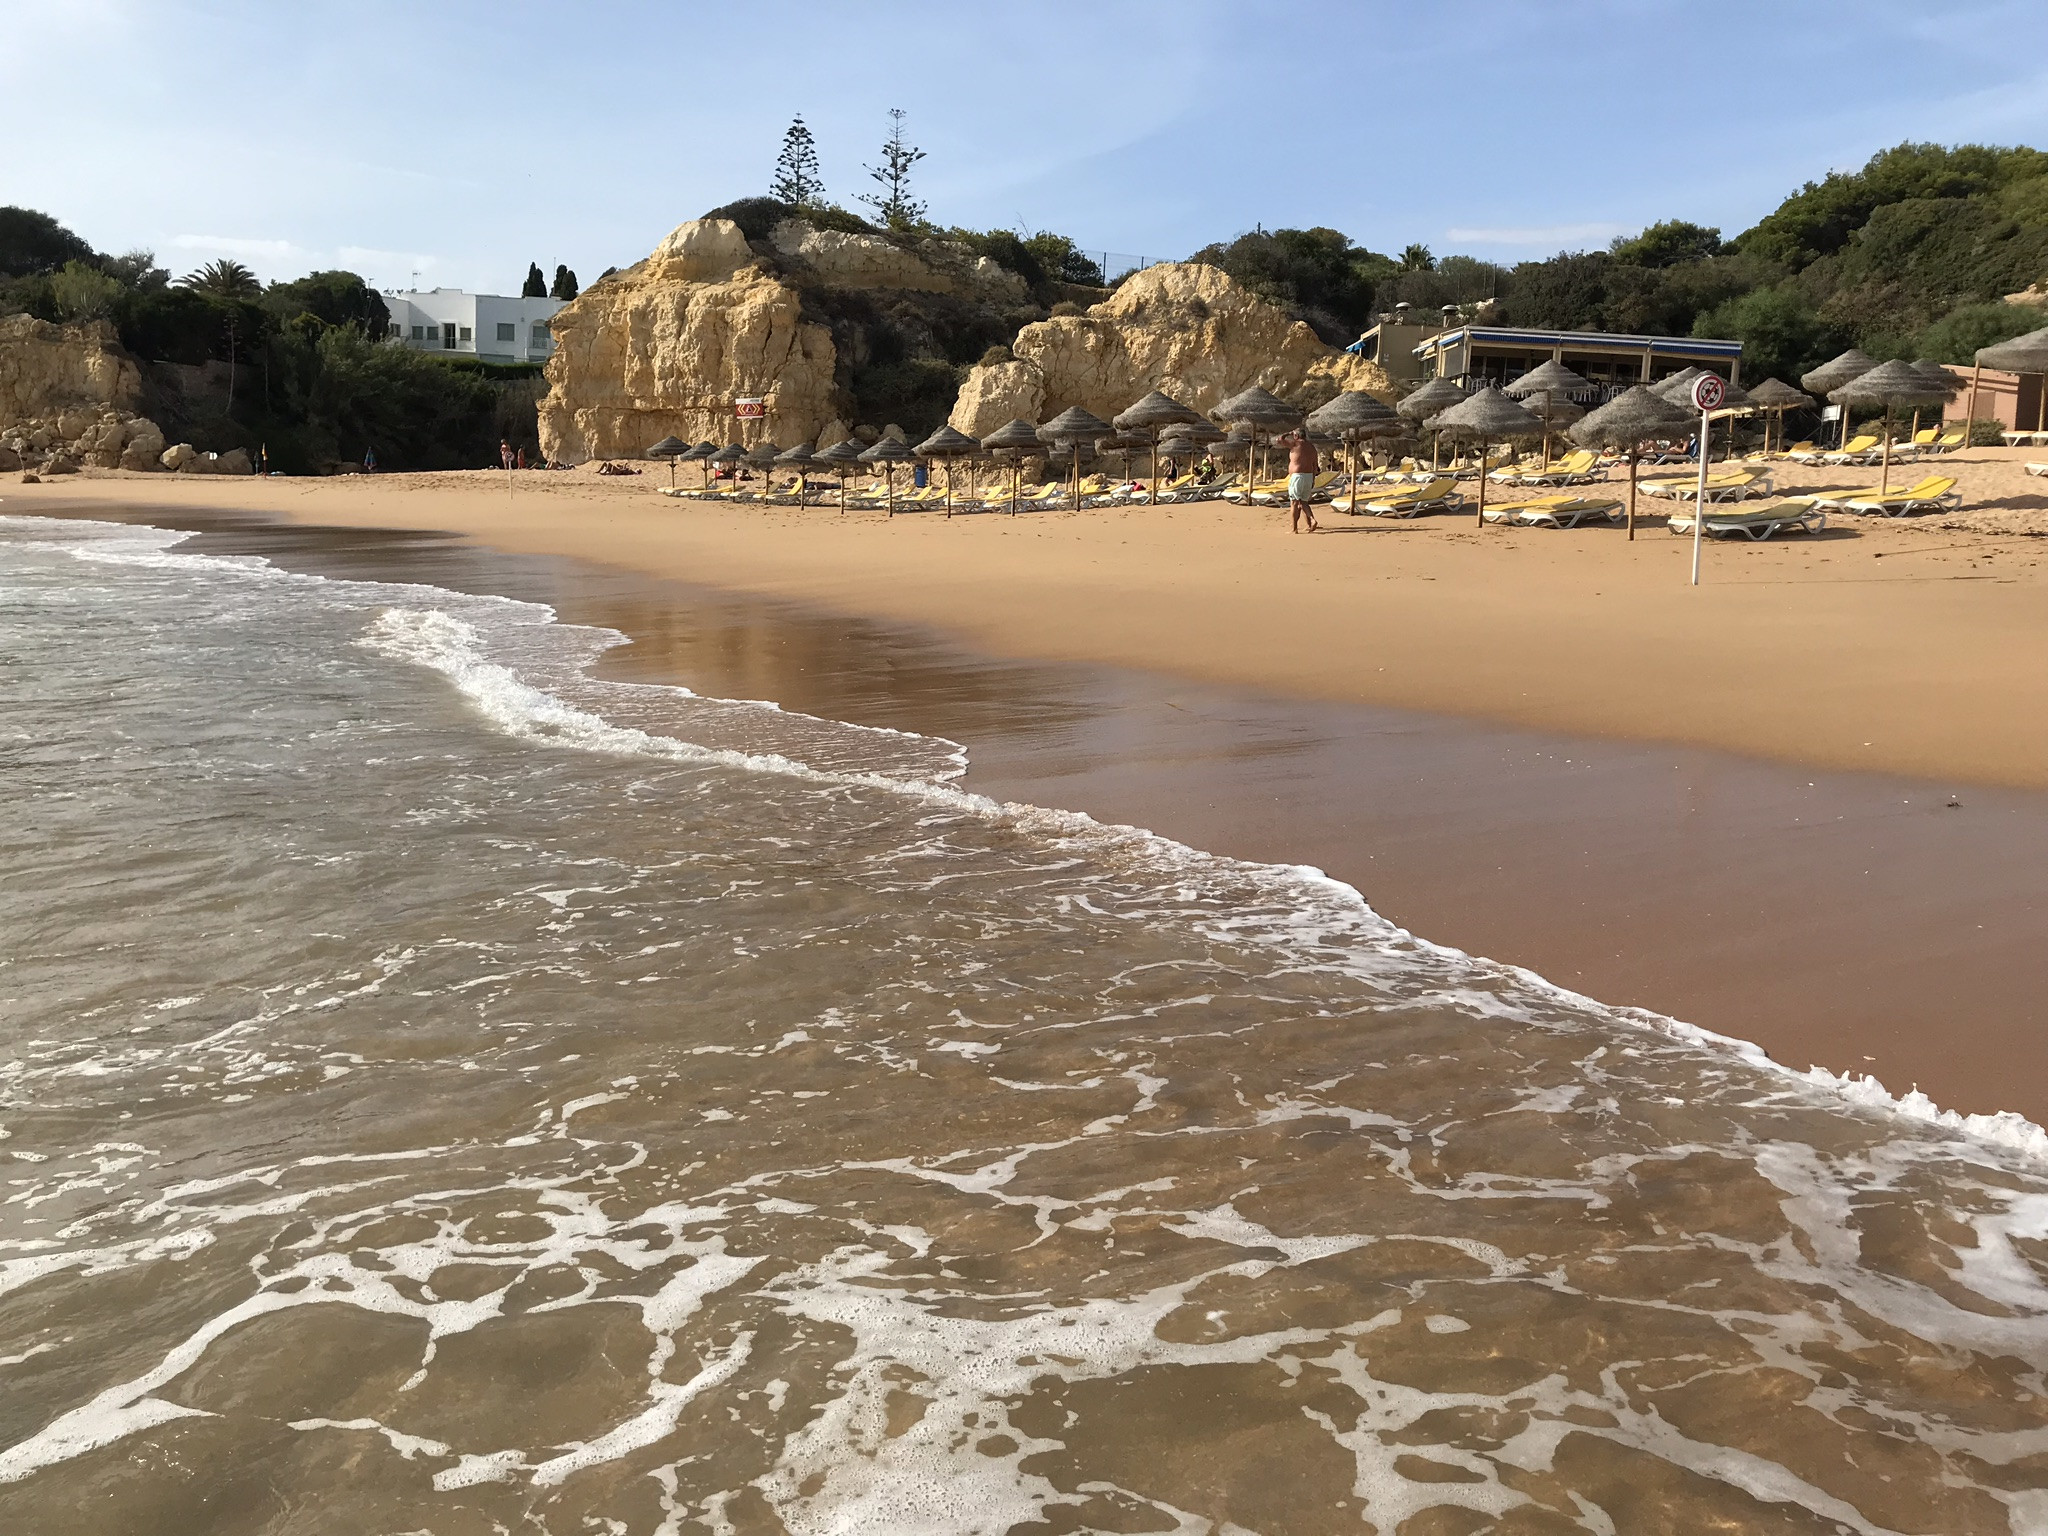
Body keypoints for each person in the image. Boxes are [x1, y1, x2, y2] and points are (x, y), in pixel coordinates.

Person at [1280, 429, 1320, 533]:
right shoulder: (1312, 447)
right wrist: (1313, 479)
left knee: (1294, 502)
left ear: (1296, 435)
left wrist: (1288, 433)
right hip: (1309, 476)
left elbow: (1279, 439)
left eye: (1294, 435)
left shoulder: (1295, 444)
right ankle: (1311, 521)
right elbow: (1315, 465)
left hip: (1297, 476)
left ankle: (1294, 529)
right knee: (1303, 502)